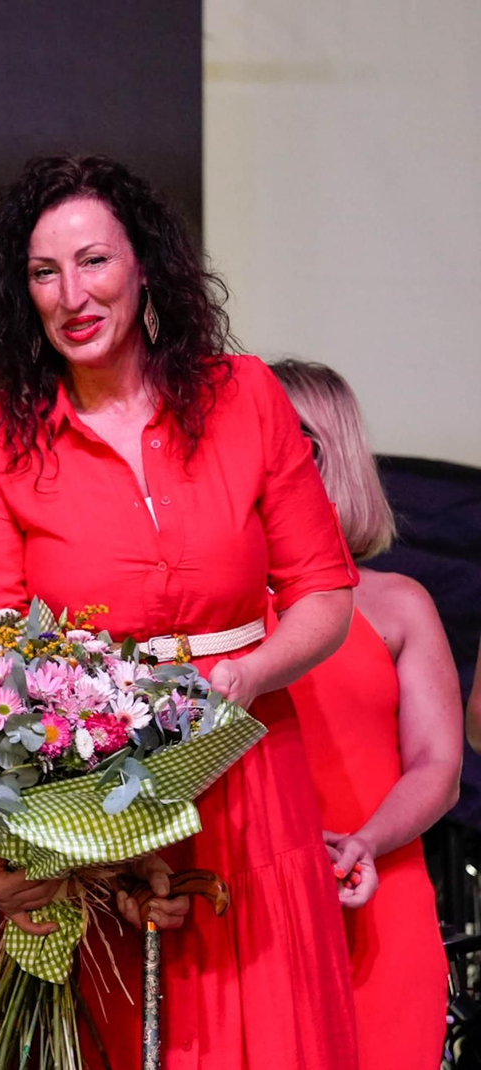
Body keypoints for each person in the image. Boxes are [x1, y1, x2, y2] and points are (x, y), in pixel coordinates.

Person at [0, 154, 359, 1068]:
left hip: (251, 763)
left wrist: (242, 680)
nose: (71, 295)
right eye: (44, 273)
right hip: (97, 794)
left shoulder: (245, 394)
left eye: (94, 262)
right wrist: (96, 843)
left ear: (145, 266)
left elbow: (325, 593)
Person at [270, 357, 459, 1070]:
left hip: (379, 902)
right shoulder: (213, 612)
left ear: (329, 452)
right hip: (245, 909)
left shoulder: (398, 603)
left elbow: (438, 766)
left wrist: (365, 842)